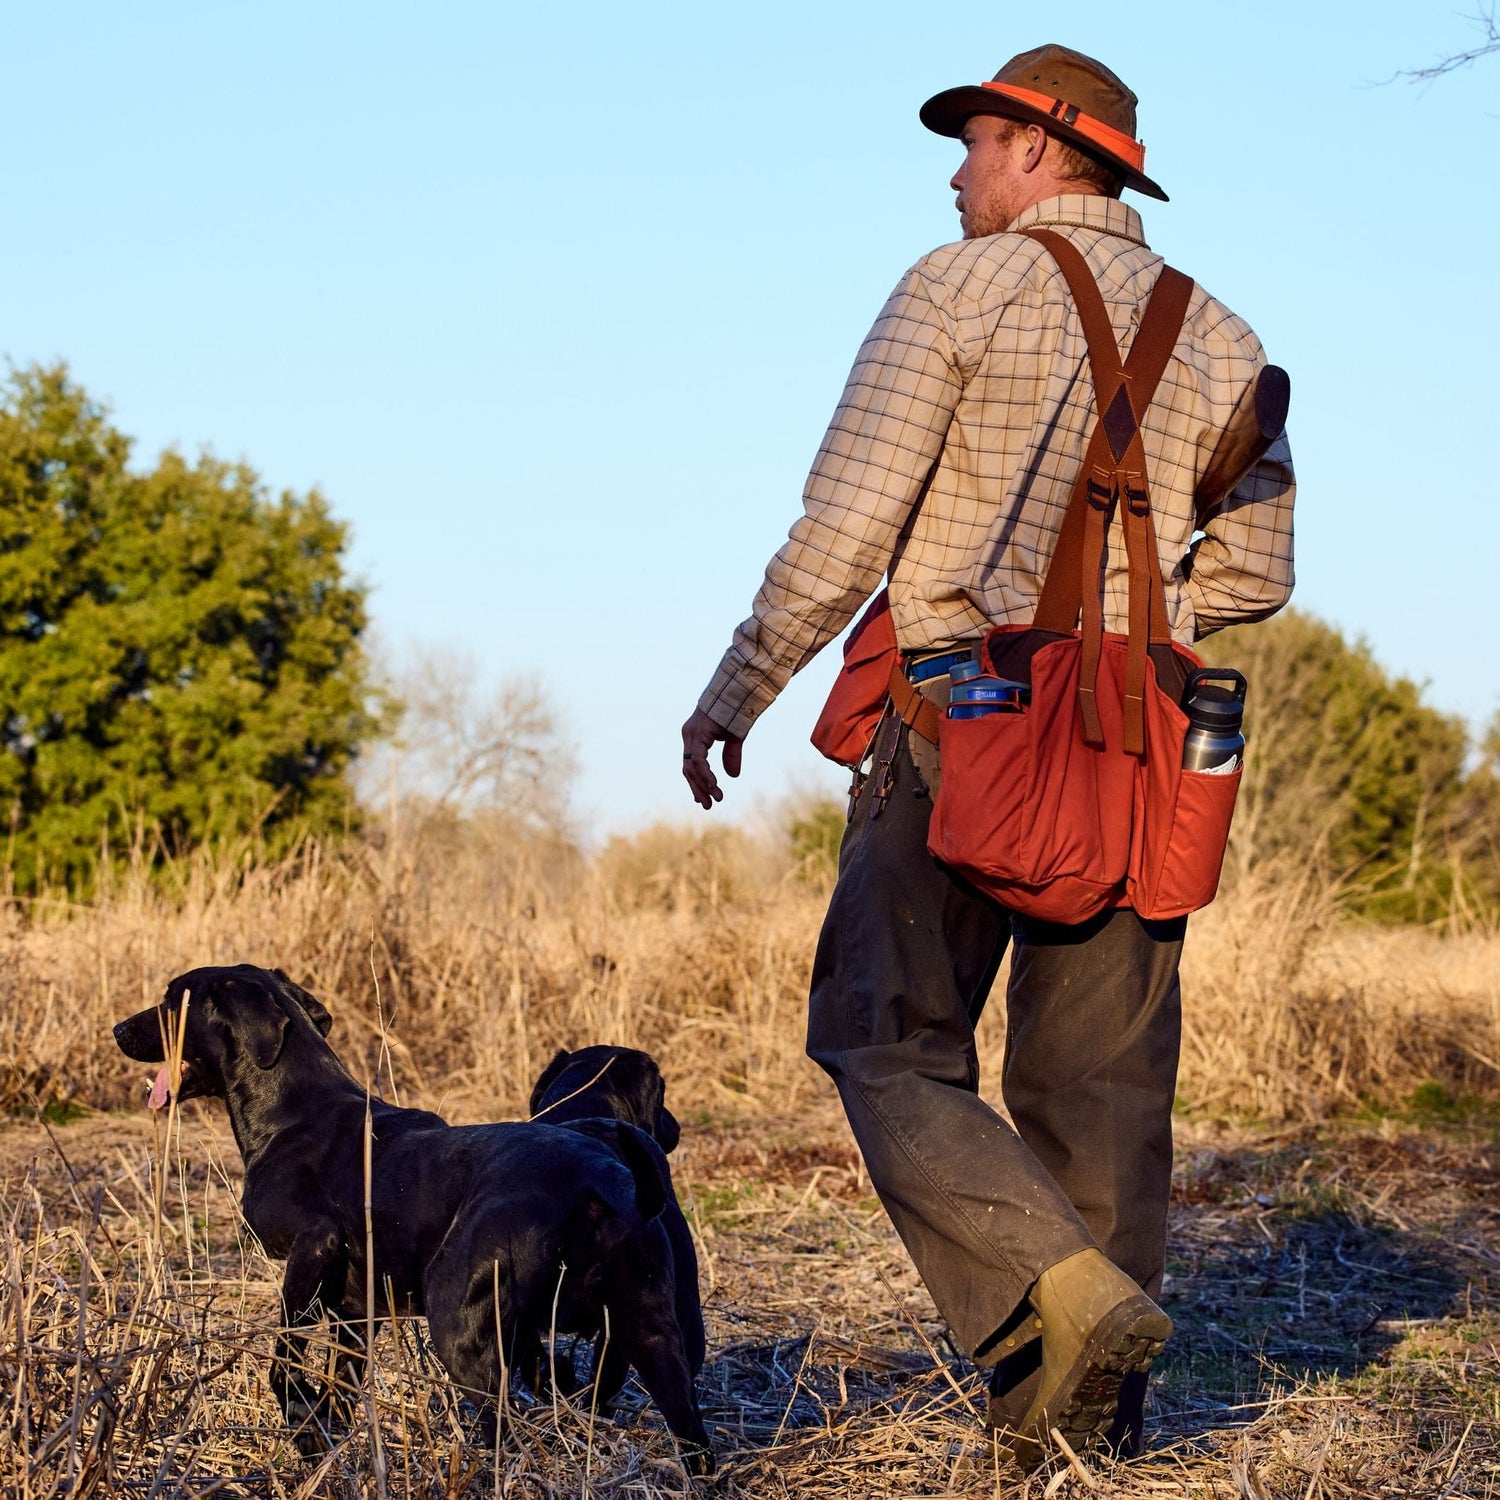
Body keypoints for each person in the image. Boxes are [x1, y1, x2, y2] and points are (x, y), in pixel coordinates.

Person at [680, 43, 1294, 1467]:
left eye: (969, 145)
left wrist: (739, 687)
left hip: (956, 721)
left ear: (1034, 147)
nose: (954, 176)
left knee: (880, 1039)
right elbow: (1258, 571)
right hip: (1139, 751)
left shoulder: (954, 287)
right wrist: (1137, 626)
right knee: (1104, 1095)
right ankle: (1088, 1445)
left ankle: (1051, 1282)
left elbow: (850, 522)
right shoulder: (1228, 337)